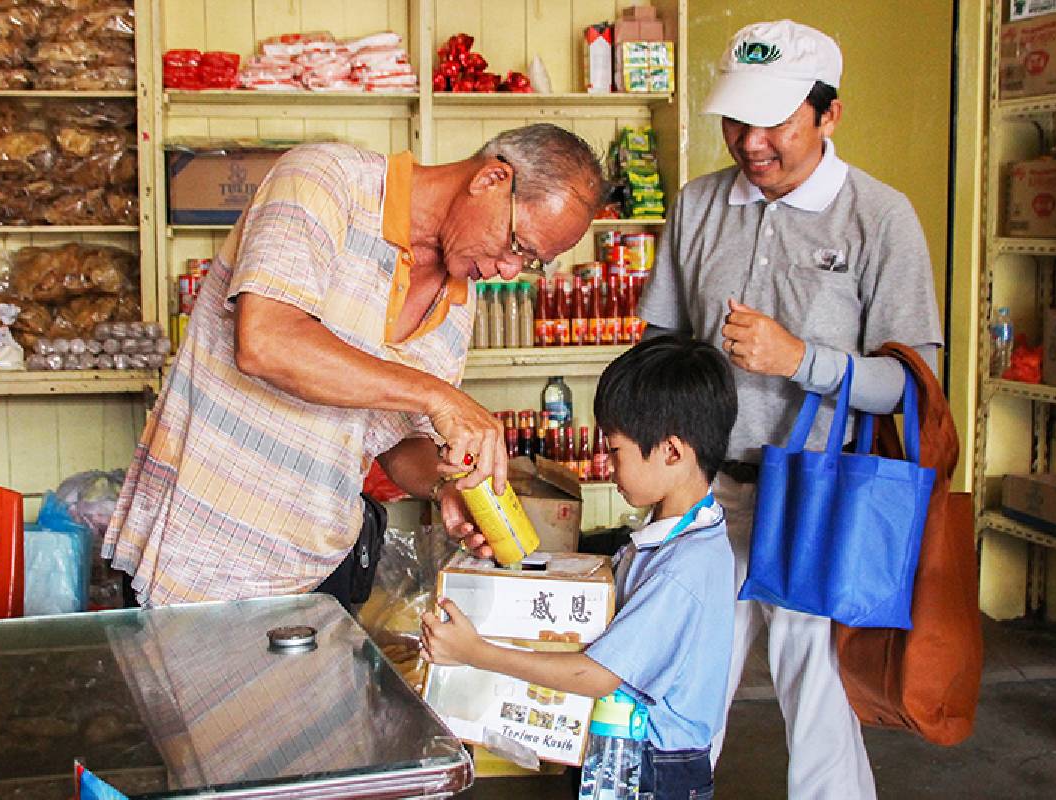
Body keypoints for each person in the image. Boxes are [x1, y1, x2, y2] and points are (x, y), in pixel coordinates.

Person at [103, 124, 605, 608]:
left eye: (532, 264)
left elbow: (396, 439)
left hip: (315, 567)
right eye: (519, 246)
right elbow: (265, 340)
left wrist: (443, 485)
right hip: (199, 554)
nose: (510, 271)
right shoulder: (327, 181)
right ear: (490, 179)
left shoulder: (458, 303)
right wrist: (439, 395)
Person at [637, 20, 944, 800]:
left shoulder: (880, 217)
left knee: (818, 694)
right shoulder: (700, 205)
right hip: (706, 491)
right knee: (678, 682)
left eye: (776, 120)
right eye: (738, 119)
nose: (751, 141)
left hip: (819, 493)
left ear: (829, 115)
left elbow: (911, 384)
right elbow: (661, 342)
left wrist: (800, 360)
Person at [420, 335, 739, 800]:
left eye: (616, 451)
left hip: (655, 771)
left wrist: (476, 651)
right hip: (625, 748)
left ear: (672, 451)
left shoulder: (685, 566)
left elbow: (598, 675)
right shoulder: (674, 535)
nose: (607, 466)